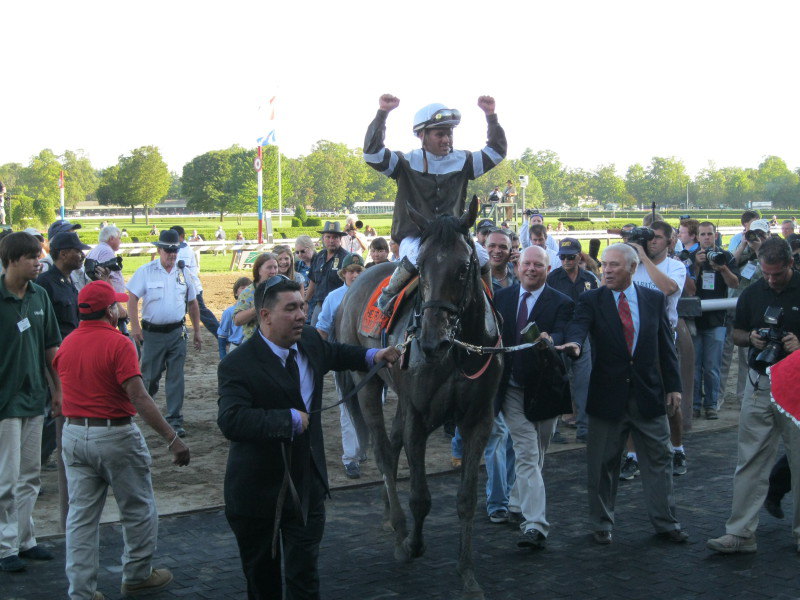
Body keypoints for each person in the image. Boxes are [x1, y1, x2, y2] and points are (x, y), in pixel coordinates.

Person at [217, 276, 400, 600]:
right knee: (263, 583)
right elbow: (231, 420)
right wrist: (285, 420)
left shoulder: (311, 341)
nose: (302, 314)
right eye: (291, 308)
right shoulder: (237, 365)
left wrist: (374, 356)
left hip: (306, 488)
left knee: (304, 578)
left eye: (303, 306)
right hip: (257, 495)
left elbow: (336, 353)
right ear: (265, 316)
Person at [54, 280, 191, 600]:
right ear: (109, 311)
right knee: (138, 507)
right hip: (114, 433)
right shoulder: (119, 343)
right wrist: (172, 439)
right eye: (115, 304)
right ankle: (137, 575)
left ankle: (81, 592)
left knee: (81, 519)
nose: (120, 307)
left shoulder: (67, 344)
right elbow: (139, 397)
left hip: (73, 433)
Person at [557, 243, 688, 545]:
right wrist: (574, 345)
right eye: (604, 264)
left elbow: (665, 348)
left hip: (648, 395)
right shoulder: (592, 299)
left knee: (660, 460)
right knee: (602, 464)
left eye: (615, 265)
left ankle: (666, 522)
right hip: (607, 397)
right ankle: (601, 523)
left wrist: (674, 387)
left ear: (632, 268)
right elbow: (578, 326)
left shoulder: (653, 299)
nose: (607, 270)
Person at [364, 93, 506, 310]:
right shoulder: (405, 161)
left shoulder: (464, 160)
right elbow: (372, 154)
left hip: (453, 236)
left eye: (449, 133)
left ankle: (488, 306)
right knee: (416, 254)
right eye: (440, 134)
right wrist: (382, 113)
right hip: (415, 236)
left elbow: (496, 152)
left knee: (482, 255)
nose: (447, 139)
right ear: (421, 135)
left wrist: (491, 116)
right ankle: (389, 294)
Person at [707, 237, 800, 555]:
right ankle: (740, 533)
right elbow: (737, 333)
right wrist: (753, 339)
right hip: (760, 383)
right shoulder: (752, 292)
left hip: (798, 387)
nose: (770, 279)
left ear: (790, 263)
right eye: (766, 273)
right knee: (749, 460)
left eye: (776, 273)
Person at [493, 246, 574, 549]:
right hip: (510, 387)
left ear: (548, 269)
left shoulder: (563, 303)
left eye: (537, 265)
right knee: (527, 453)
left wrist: (552, 341)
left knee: (538, 451)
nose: (530, 269)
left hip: (546, 388)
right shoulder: (500, 298)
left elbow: (565, 333)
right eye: (526, 263)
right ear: (517, 267)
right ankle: (535, 524)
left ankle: (516, 501)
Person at [0, 232, 62, 573]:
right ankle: (5, 546)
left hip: (34, 399)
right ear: (12, 260)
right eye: (32, 258)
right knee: (6, 480)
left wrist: (58, 390)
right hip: (4, 403)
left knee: (30, 476)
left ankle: (25, 539)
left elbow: (51, 346)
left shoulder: (39, 296)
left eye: (40, 257)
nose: (39, 263)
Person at [126, 229, 202, 438]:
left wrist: (196, 330)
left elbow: (193, 302)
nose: (172, 254)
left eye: (175, 250)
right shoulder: (146, 271)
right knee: (149, 378)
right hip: (152, 334)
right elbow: (132, 299)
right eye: (168, 250)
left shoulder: (183, 272)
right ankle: (140, 411)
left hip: (177, 332)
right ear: (159, 250)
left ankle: (175, 419)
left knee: (176, 377)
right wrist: (135, 328)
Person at [628, 221, 688, 476]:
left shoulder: (675, 266)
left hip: (663, 340)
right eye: (647, 238)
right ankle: (631, 455)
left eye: (657, 238)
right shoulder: (633, 266)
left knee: (670, 400)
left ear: (669, 241)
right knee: (630, 398)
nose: (651, 242)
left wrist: (643, 257)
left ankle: (677, 448)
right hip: (633, 340)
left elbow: (668, 289)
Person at [316, 253, 367, 478]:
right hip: (343, 361)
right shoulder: (334, 298)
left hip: (368, 359)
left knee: (369, 406)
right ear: (343, 274)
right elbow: (322, 328)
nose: (355, 275)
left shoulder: (373, 295)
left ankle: (362, 448)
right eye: (351, 271)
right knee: (347, 408)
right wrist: (321, 356)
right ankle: (350, 458)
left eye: (358, 271)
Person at [546, 238, 598, 443]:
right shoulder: (552, 278)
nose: (566, 260)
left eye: (570, 256)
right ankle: (553, 429)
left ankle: (584, 428)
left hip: (582, 336)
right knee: (557, 381)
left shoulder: (590, 278)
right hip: (559, 334)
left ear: (579, 256)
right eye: (563, 257)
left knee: (584, 382)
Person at [689, 222, 739, 419]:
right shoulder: (689, 256)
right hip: (694, 319)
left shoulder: (725, 256)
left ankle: (711, 405)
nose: (707, 238)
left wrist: (723, 268)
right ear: (697, 237)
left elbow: (735, 283)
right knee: (694, 367)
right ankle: (694, 405)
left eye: (710, 234)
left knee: (712, 366)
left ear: (716, 235)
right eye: (703, 234)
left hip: (717, 319)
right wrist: (697, 266)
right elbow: (688, 288)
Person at [35, 231, 91, 340]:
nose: (83, 255)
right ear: (63, 254)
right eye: (78, 251)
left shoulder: (68, 281)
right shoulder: (45, 283)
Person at [172, 225, 220, 338]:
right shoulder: (179, 249)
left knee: (202, 313)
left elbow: (179, 271)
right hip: (184, 287)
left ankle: (222, 335)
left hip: (191, 288)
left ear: (181, 237)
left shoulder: (184, 251)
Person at [304, 222, 349, 325]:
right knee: (316, 337)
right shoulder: (319, 256)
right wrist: (305, 301)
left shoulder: (346, 258)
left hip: (339, 308)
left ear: (340, 239)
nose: (331, 240)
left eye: (335, 237)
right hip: (319, 306)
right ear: (323, 238)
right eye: (328, 237)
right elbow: (313, 281)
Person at [234, 253, 279, 341]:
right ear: (259, 270)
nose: (273, 271)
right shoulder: (248, 293)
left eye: (275, 267)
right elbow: (237, 320)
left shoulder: (281, 289)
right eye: (269, 267)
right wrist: (258, 308)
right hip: (254, 342)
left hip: (276, 341)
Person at [40, 220, 92, 290]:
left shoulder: (74, 263)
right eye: (68, 234)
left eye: (75, 233)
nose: (75, 237)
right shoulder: (45, 266)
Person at [218, 277, 252, 359]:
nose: (246, 290)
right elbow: (222, 336)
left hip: (252, 348)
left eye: (249, 287)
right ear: (236, 293)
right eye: (242, 288)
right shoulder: (229, 312)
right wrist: (223, 358)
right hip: (236, 347)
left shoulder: (256, 310)